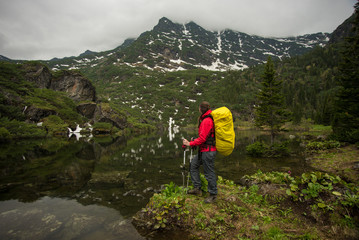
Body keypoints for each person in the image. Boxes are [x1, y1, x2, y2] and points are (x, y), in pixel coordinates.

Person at [182, 101, 217, 203]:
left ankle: (213, 194)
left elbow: (202, 139)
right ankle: (197, 189)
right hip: (204, 150)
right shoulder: (206, 119)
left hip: (208, 151)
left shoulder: (207, 121)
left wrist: (190, 143)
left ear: (201, 109)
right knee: (193, 165)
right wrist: (194, 140)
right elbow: (204, 137)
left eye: (199, 108)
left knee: (209, 172)